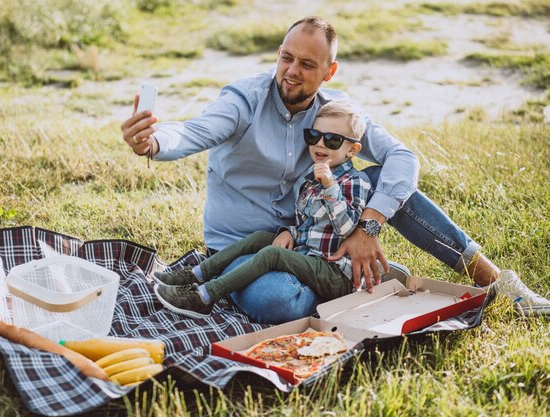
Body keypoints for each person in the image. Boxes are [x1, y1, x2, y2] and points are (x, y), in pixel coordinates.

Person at [121, 16, 550, 322]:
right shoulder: (243, 99)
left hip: (315, 236)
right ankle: (364, 279)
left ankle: (497, 283)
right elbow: (195, 130)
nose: (291, 72)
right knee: (282, 304)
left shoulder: (338, 112)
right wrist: (155, 141)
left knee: (386, 181)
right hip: (250, 244)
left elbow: (402, 158)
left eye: (307, 65)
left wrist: (370, 228)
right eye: (286, 58)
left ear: (329, 71)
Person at [152, 101, 409, 318]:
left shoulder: (356, 181)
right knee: (262, 238)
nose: (320, 145)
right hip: (310, 257)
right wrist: (289, 232)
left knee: (273, 255)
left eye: (332, 140)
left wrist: (331, 187)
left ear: (352, 149)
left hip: (335, 272)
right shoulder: (310, 179)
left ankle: (205, 297)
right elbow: (310, 227)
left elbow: (347, 228)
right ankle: (195, 274)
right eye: (313, 136)